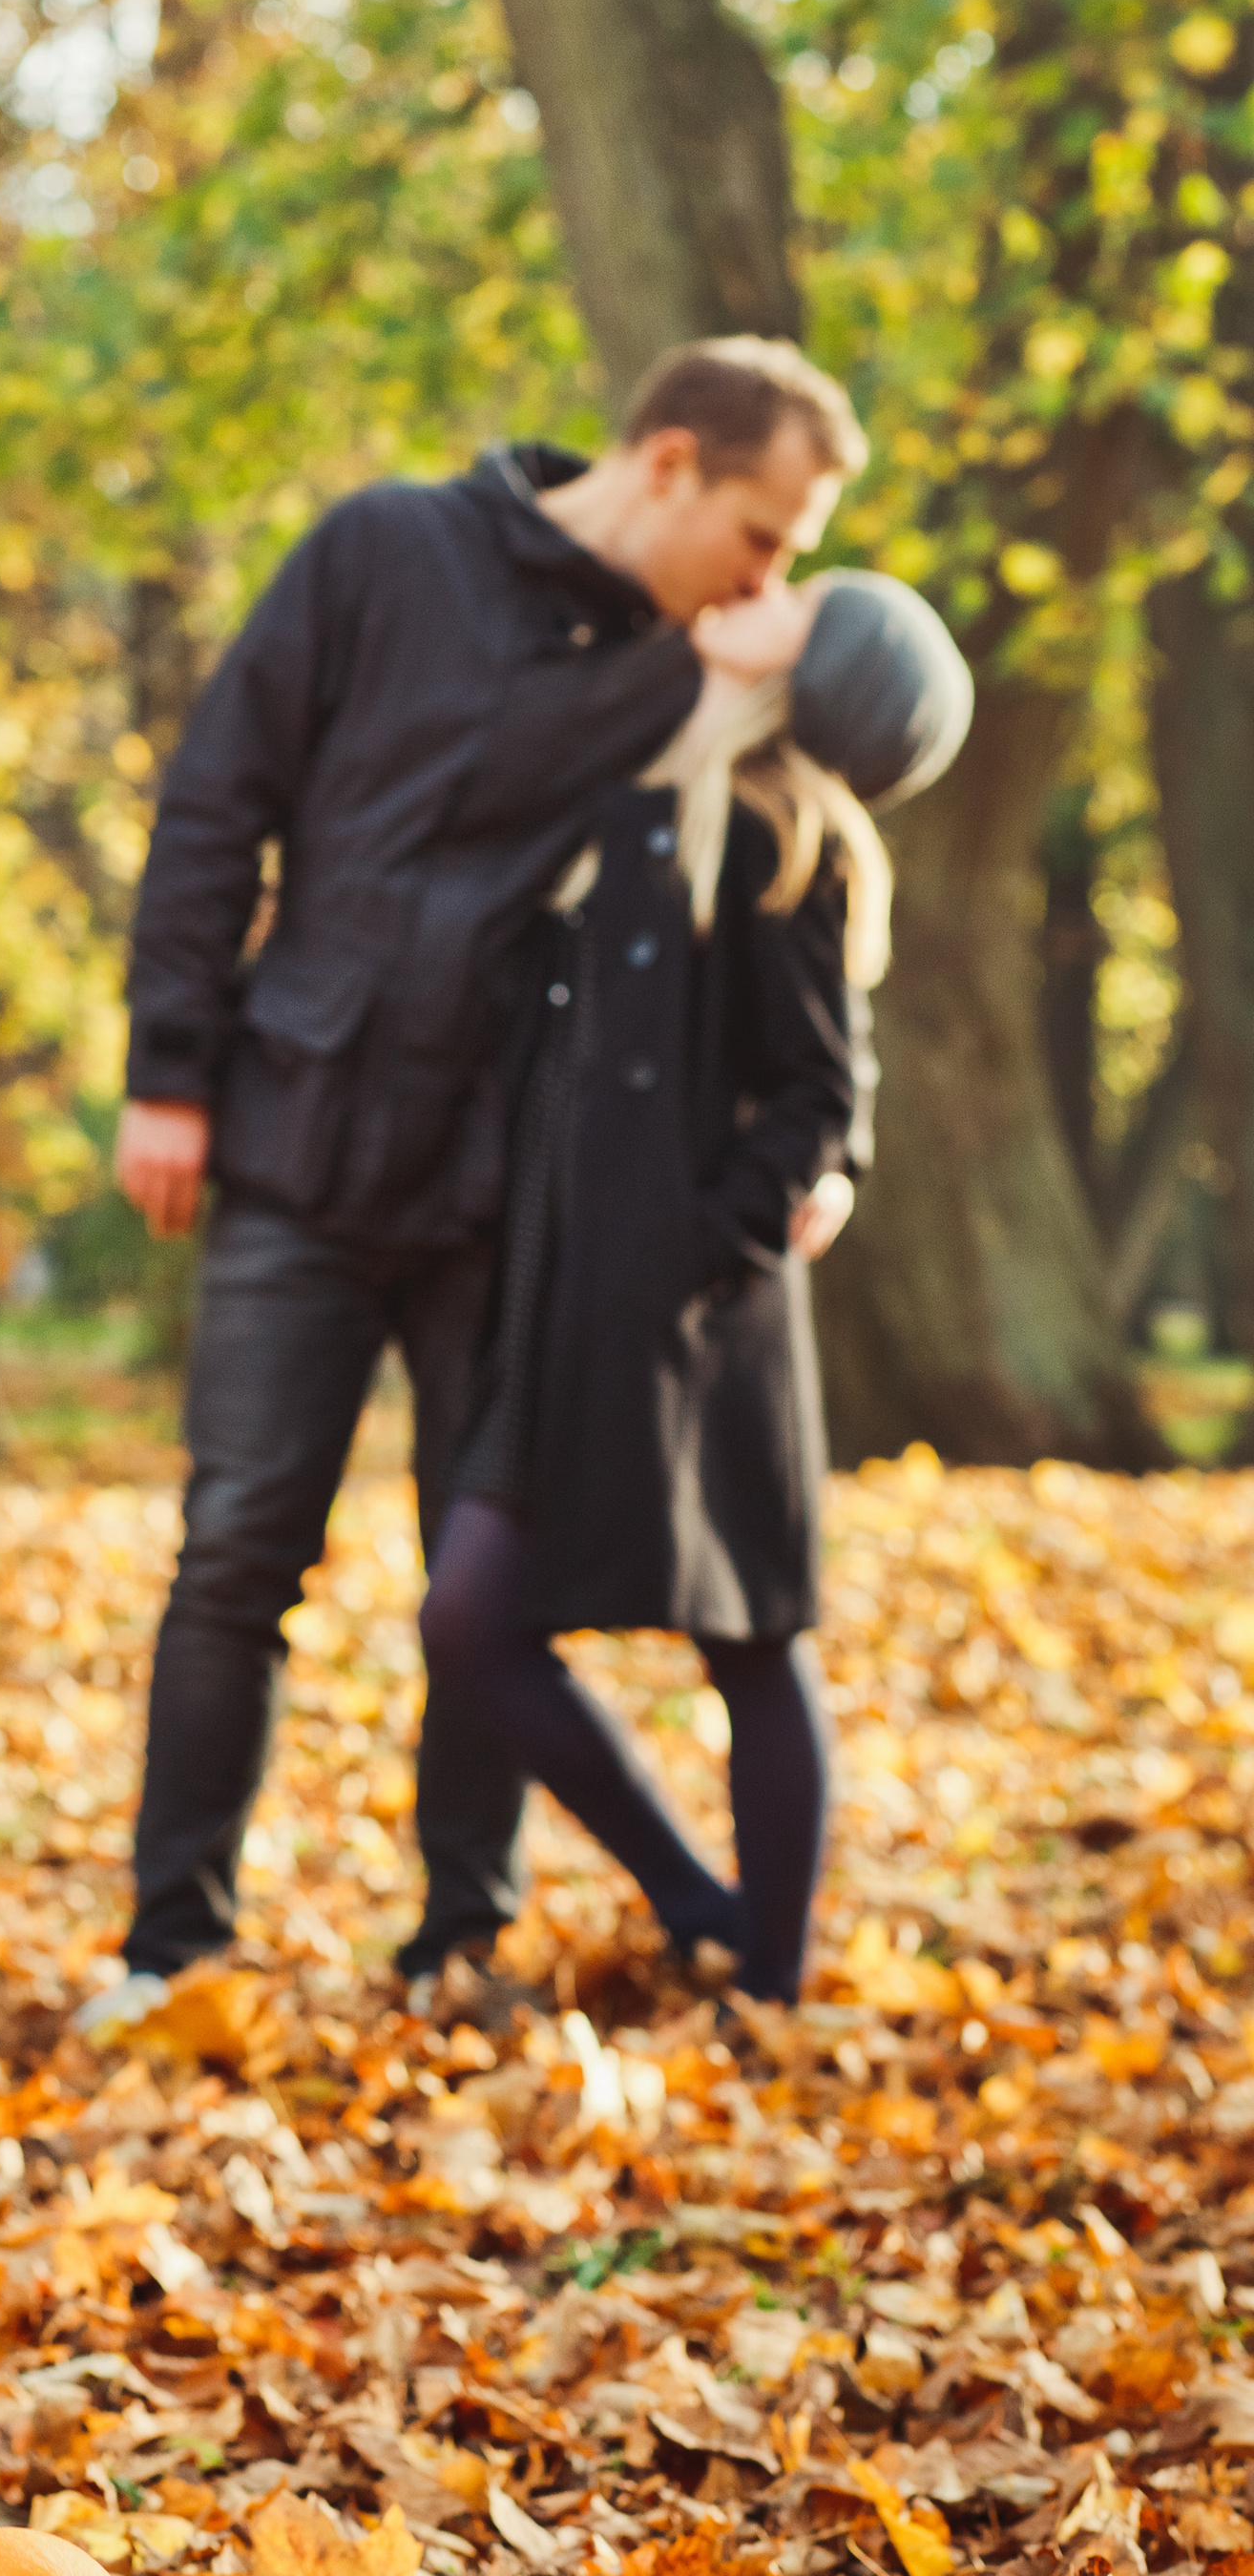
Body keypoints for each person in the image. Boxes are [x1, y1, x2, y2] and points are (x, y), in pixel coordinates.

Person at [85, 338, 867, 2041]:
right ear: (667, 463)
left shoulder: (697, 671)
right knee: (235, 1552)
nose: (770, 582)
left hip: (514, 1207)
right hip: (300, 1141)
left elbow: (779, 940)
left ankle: (463, 1938)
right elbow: (221, 799)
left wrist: (827, 1154)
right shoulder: (386, 552)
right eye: (762, 534)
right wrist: (172, 1064)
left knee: (472, 1577)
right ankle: (172, 1948)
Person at [418, 571, 972, 2005]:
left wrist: (698, 1245)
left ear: (825, 674)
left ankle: (771, 1976)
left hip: (704, 1323)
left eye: (804, 601)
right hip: (563, 1313)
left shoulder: (793, 841)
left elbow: (820, 1093)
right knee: (471, 1618)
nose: (762, 588)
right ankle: (695, 1897)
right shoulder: (639, 791)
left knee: (751, 1635)